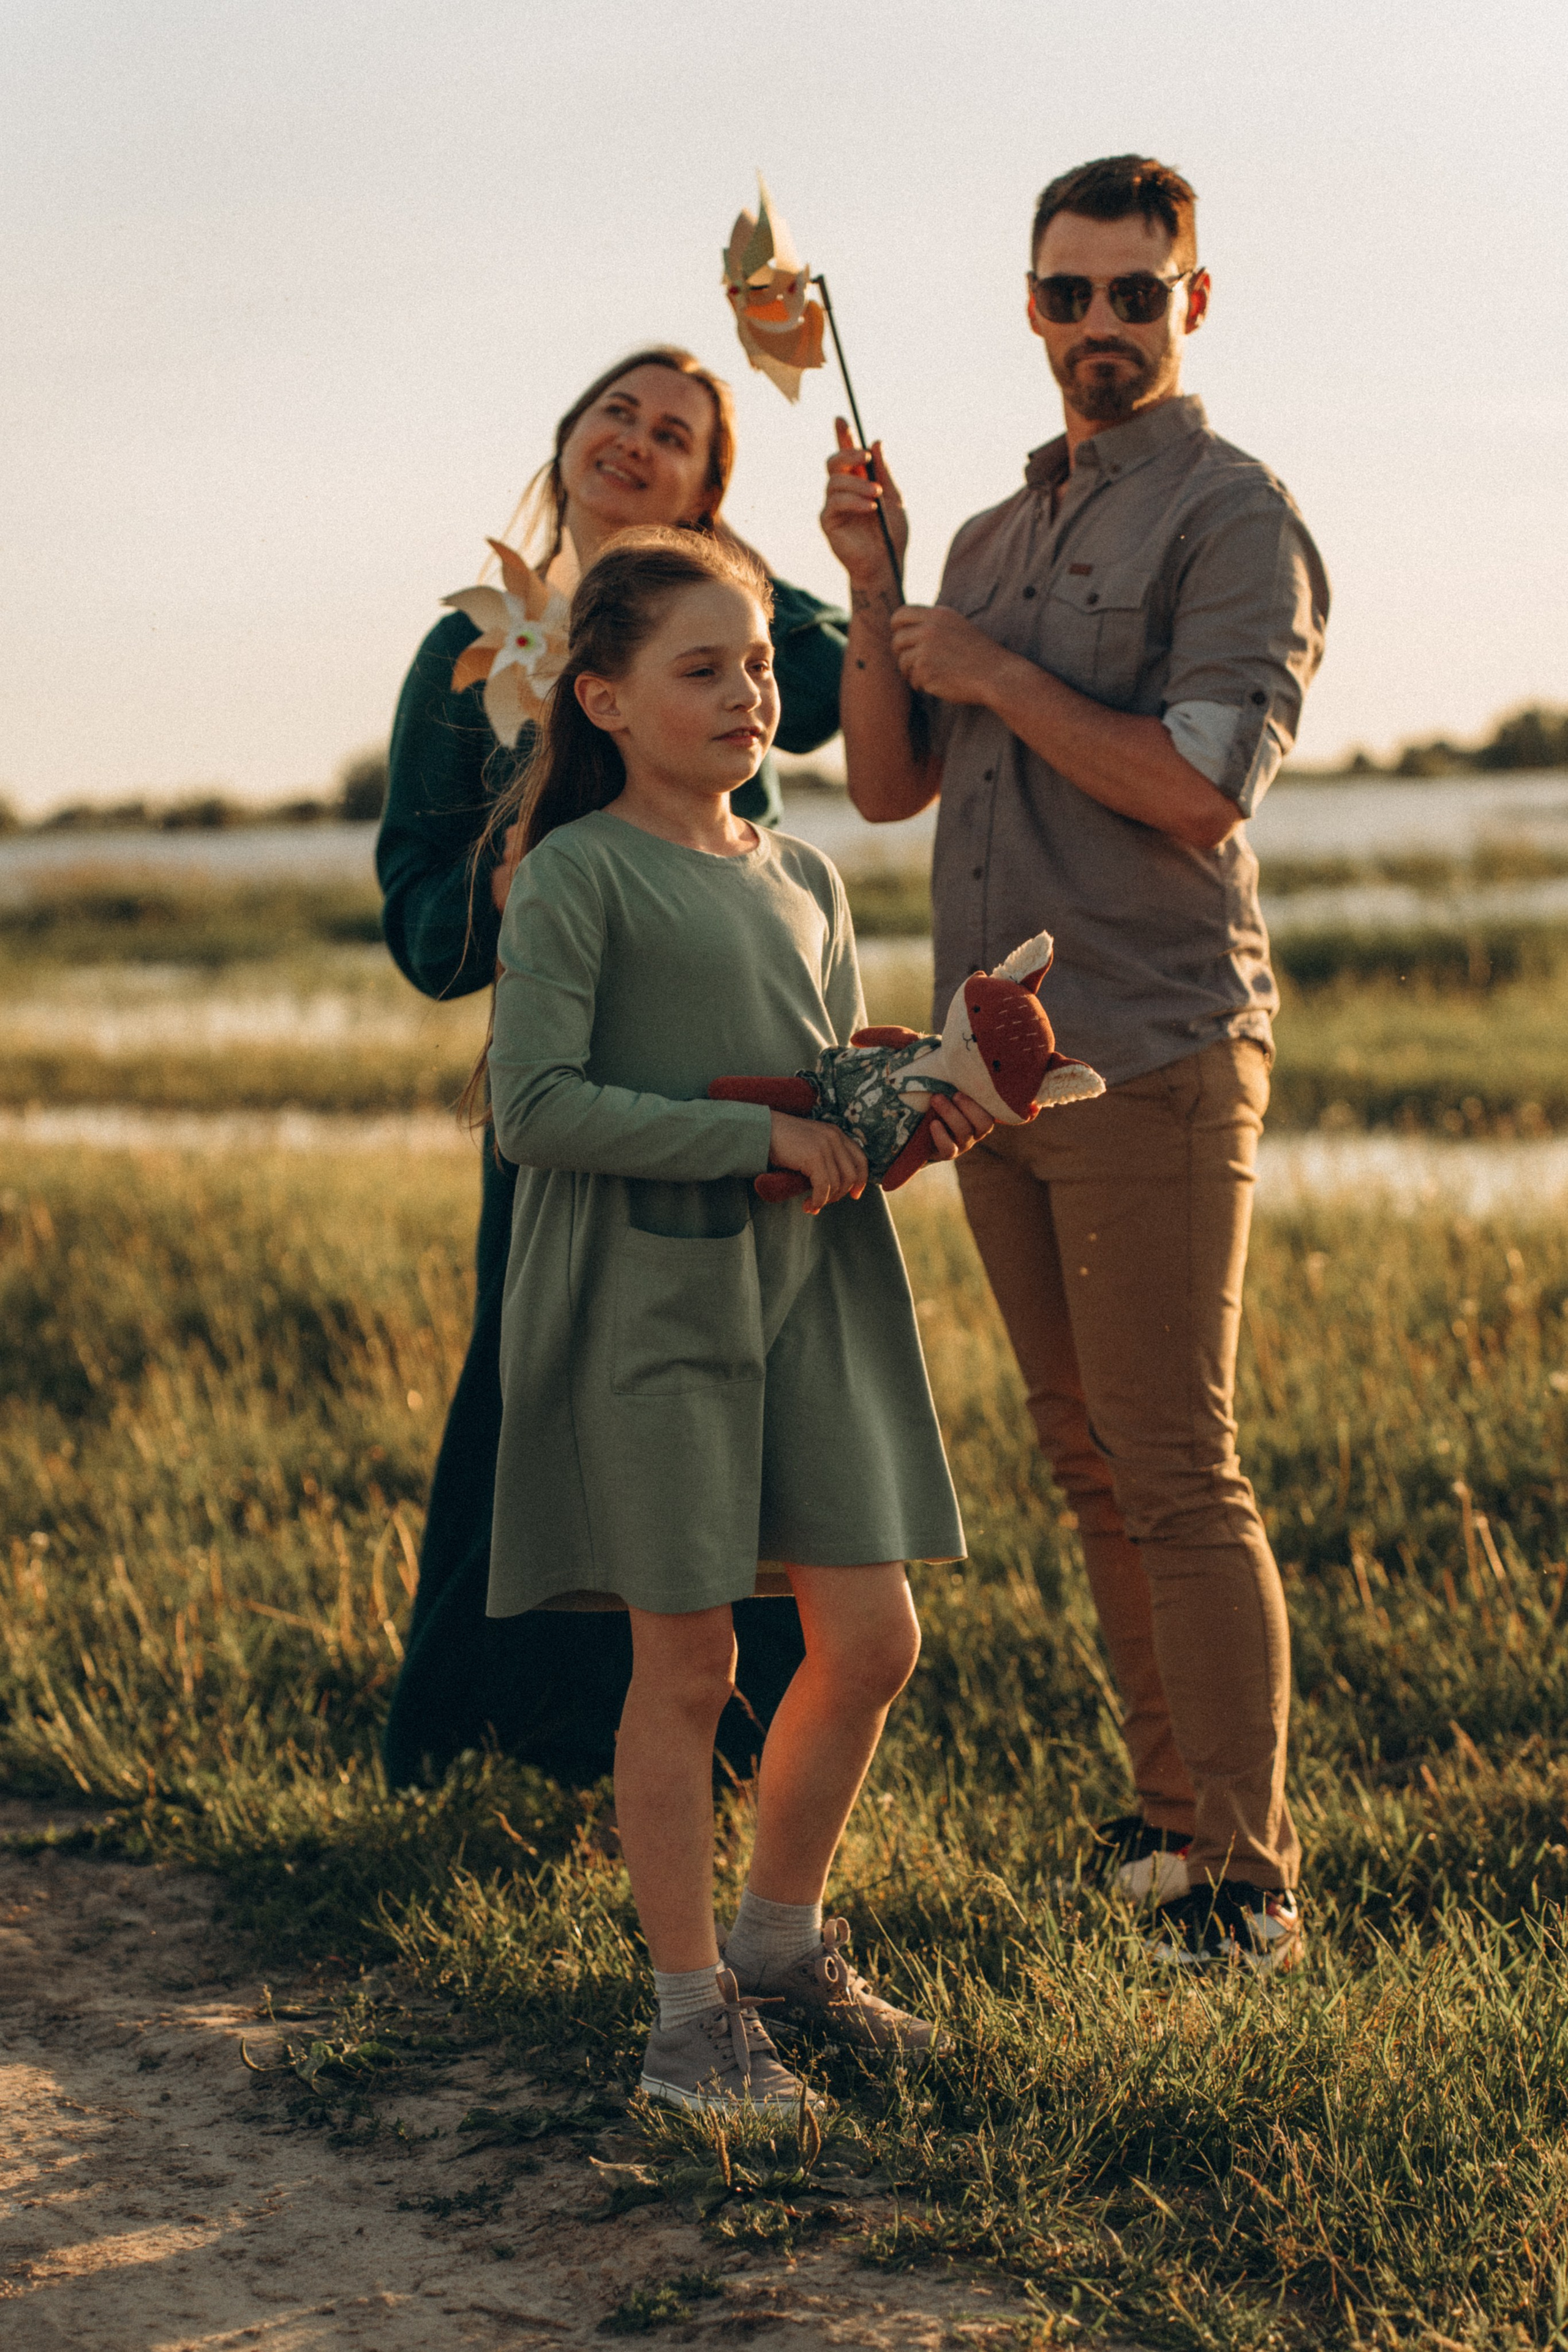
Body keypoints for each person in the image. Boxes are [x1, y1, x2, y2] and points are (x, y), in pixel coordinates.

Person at [820, 154, 1329, 1975]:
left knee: (1179, 1459)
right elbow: (890, 785)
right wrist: (878, 585)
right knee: (1084, 1455)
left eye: (1136, 292)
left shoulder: (1231, 517)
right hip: (1001, 1071)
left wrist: (998, 672)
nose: (1100, 325)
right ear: (1029, 307)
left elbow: (1197, 794)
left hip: (1157, 1048)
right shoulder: (979, 541)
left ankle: (1251, 1890)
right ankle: (1171, 1830)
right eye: (1068, 294)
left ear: (1195, 302)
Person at [480, 527, 983, 2106]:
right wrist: (750, 1138)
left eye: (758, 663)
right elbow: (535, 1108)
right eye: (700, 668)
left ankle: (780, 1942)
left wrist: (912, 1110)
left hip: (812, 1288)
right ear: (606, 700)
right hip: (650, 1295)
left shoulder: (808, 874)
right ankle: (689, 2020)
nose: (745, 692)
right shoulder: (574, 872)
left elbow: (816, 1087)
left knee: (874, 1633)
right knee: (687, 1663)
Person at [377, 348, 849, 1789]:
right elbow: (414, 916)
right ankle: (508, 1733)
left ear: (713, 487)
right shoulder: (475, 644)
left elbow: (827, 677)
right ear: (566, 434)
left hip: (741, 1086)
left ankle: (733, 1741)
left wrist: (728, 581)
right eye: (616, 416)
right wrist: (505, 888)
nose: (637, 443)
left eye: (679, 437)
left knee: (745, 1391)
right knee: (540, 1384)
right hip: (571, 1077)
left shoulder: (744, 631)